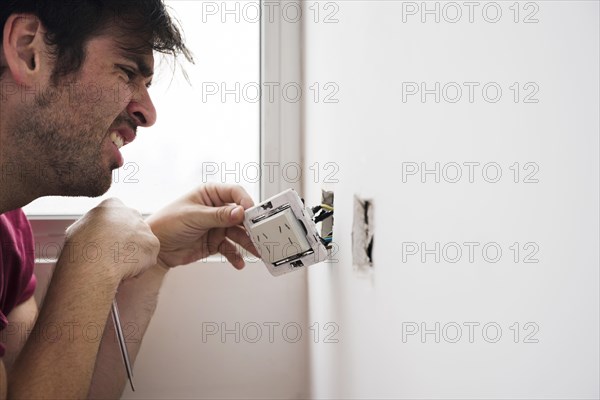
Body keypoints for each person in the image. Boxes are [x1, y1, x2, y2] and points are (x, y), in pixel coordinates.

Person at [0, 1, 258, 398]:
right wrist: (90, 260)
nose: (148, 113)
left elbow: (44, 385)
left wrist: (152, 259)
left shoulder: (8, 232)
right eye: (126, 72)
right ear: (28, 49)